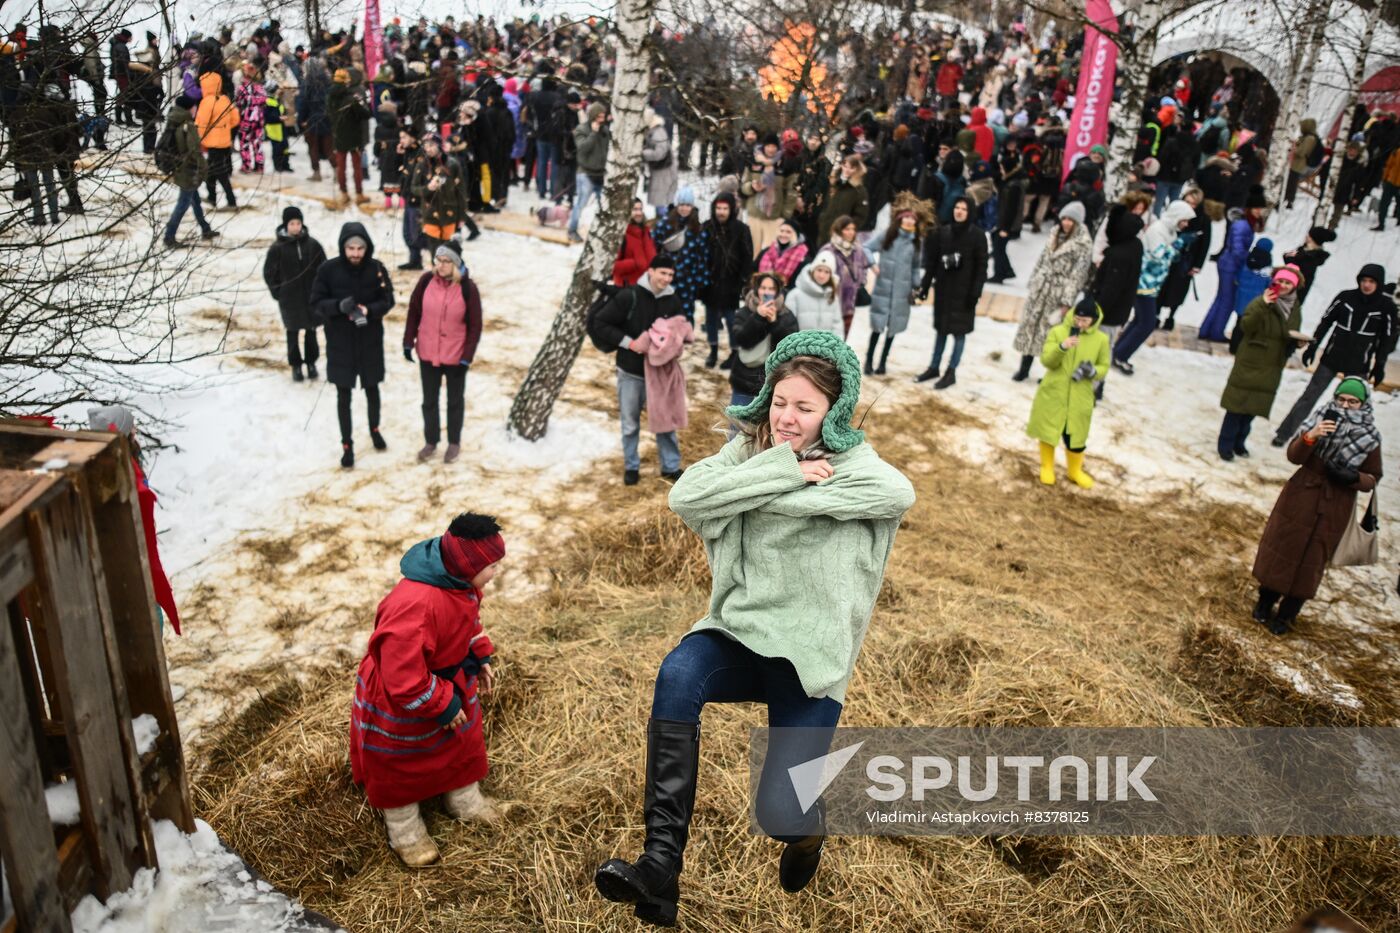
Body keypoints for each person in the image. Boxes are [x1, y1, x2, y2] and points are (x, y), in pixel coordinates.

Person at [594, 331, 915, 925]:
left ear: (835, 411)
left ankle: (806, 832)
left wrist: (750, 497)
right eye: (780, 402)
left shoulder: (858, 466)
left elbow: (899, 492)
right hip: (740, 632)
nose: (787, 418)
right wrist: (787, 473)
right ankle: (660, 867)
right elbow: (687, 498)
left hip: (811, 655)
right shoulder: (751, 450)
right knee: (679, 671)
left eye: (805, 407)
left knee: (779, 813)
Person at [350, 513, 505, 867]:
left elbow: (467, 622)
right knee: (401, 761)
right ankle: (406, 832)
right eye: (492, 565)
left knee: (461, 739)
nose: (496, 572)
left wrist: (479, 654)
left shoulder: (460, 585)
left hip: (445, 678)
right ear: (469, 565)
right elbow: (401, 677)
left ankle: (464, 802)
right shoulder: (415, 606)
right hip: (405, 693)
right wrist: (442, 701)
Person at [1252, 379, 1383, 635]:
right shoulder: (1319, 418)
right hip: (1301, 496)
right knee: (1284, 547)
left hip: (1336, 505)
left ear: (1363, 404)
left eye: (1352, 402)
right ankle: (1265, 603)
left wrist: (1353, 478)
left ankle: (1288, 615)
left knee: (1313, 559)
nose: (1345, 406)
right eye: (1341, 400)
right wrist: (1310, 438)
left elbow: (1373, 477)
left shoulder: (1370, 437)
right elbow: (1293, 456)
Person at [1272, 263, 1397, 446]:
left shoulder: (1386, 307)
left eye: (1371, 281)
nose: (1367, 285)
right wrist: (1313, 347)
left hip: (1358, 364)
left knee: (1355, 406)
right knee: (1309, 396)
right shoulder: (1346, 297)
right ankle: (1283, 434)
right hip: (1332, 358)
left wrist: (1379, 365)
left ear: (1378, 284)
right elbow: (1326, 322)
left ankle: (1345, 443)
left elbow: (1386, 339)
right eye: (1364, 280)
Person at [588, 254, 687, 485]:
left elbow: (680, 328)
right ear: (650, 271)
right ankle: (631, 466)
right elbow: (601, 323)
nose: (667, 278)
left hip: (660, 373)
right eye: (663, 272)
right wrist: (630, 343)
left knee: (665, 422)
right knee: (630, 422)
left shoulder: (673, 300)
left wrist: (675, 344)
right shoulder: (629, 295)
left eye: (671, 275)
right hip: (631, 371)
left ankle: (670, 467)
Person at [85, 405, 182, 634]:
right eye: (132, 430)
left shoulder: (126, 464)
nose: (136, 433)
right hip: (129, 566)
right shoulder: (113, 474)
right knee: (149, 623)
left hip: (138, 560)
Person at [309, 223, 396, 468]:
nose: (356, 253)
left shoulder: (376, 269)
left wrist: (371, 310)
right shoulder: (328, 270)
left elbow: (388, 299)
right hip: (340, 343)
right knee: (343, 395)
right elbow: (315, 301)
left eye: (360, 248)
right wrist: (338, 307)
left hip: (369, 341)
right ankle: (347, 444)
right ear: (343, 247)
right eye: (351, 248)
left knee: (372, 389)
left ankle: (374, 429)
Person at [404, 242, 483, 464]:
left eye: (446, 261)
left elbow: (475, 325)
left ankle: (454, 442)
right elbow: (414, 311)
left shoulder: (468, 289)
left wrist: (467, 355)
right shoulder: (426, 281)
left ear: (456, 263)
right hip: (428, 353)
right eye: (438, 260)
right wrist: (409, 341)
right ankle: (431, 441)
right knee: (429, 401)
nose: (441, 265)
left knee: (454, 401)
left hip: (456, 356)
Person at [1217, 266, 1306, 461]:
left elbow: (1290, 332)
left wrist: (1297, 341)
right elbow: (1246, 325)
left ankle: (1240, 443)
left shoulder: (1294, 307)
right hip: (1251, 359)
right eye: (1281, 281)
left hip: (1272, 364)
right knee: (1236, 406)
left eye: (1288, 283)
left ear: (1294, 286)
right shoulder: (1262, 301)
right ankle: (1225, 444)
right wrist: (1263, 304)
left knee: (1253, 409)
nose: (1283, 285)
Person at [1027, 297, 1109, 488]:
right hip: (1054, 392)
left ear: (1093, 320)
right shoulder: (1058, 332)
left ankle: (1075, 471)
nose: (1079, 324)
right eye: (1077, 319)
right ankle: (1047, 466)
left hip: (1080, 396)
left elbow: (1104, 366)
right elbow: (1047, 361)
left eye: (1085, 321)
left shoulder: (1101, 340)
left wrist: (1093, 371)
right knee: (1049, 430)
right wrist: (1062, 347)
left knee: (1076, 435)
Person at [1111, 200, 1196, 374]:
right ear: (1176, 217)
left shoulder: (1169, 230)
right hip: (1144, 282)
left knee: (1139, 321)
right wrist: (1178, 246)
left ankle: (1117, 352)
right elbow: (1158, 255)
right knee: (1147, 323)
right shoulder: (1158, 230)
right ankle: (1121, 355)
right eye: (1185, 220)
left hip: (1152, 282)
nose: (1186, 224)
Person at [1011, 201, 1092, 382]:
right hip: (1040, 289)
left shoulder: (1083, 244)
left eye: (1071, 220)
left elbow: (1078, 275)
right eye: (1064, 218)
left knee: (1051, 335)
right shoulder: (1054, 234)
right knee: (1031, 329)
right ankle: (1024, 368)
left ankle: (1048, 373)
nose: (1066, 222)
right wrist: (1033, 282)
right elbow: (1042, 260)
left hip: (1058, 293)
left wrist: (1066, 301)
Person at [918, 196, 986, 388]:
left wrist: (975, 293)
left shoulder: (977, 236)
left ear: (970, 212)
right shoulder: (943, 232)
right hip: (944, 290)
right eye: (957, 207)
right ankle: (934, 366)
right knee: (941, 330)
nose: (959, 211)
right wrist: (924, 286)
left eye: (963, 209)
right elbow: (931, 263)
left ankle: (951, 371)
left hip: (964, 294)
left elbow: (982, 268)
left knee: (958, 334)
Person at [263, 206, 327, 380]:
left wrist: (322, 290)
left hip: (311, 298)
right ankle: (296, 365)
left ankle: (311, 363)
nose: (296, 227)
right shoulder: (278, 248)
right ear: (286, 225)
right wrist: (278, 292)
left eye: (298, 223)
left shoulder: (313, 245)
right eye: (292, 223)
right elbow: (269, 273)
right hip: (290, 300)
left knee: (311, 332)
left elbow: (324, 269)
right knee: (292, 332)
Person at [727, 271, 799, 425]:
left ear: (778, 291)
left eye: (771, 288)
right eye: (763, 288)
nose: (767, 292)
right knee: (737, 429)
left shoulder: (787, 315)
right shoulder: (744, 312)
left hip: (772, 384)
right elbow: (742, 340)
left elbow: (791, 347)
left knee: (763, 433)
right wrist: (758, 317)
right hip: (744, 381)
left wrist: (774, 323)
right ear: (756, 289)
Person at [867, 200, 927, 378]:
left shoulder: (916, 242)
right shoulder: (888, 235)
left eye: (912, 219)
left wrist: (917, 286)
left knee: (892, 328)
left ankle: (883, 362)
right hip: (883, 288)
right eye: (906, 218)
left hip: (902, 291)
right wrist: (872, 264)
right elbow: (866, 248)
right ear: (900, 219)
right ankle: (869, 360)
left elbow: (916, 267)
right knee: (878, 326)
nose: (909, 221)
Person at [1199, 189, 1268, 341]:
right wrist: (1249, 260)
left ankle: (1207, 330)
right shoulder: (1242, 226)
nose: (1259, 212)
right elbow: (1238, 250)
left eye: (1260, 209)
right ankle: (1216, 332)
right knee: (1227, 300)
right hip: (1230, 266)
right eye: (1257, 209)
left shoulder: (1245, 224)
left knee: (1221, 298)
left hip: (1228, 263)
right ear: (1250, 208)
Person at [699, 191, 754, 369]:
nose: (721, 212)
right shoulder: (707, 227)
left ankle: (734, 352)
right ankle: (713, 350)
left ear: (732, 209)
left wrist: (742, 281)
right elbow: (699, 255)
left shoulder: (742, 229)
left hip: (731, 283)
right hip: (710, 283)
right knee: (711, 319)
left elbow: (747, 257)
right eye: (718, 208)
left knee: (732, 321)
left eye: (725, 208)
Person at [1090, 207, 1146, 372]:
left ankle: (1094, 389)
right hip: (1119, 312)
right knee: (1104, 351)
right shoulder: (1135, 245)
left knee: (1097, 354)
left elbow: (1110, 289)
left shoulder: (1118, 255)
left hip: (1107, 315)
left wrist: (1094, 313)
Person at [161, 95, 220, 248]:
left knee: (195, 201)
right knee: (183, 204)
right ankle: (169, 236)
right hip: (189, 170)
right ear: (190, 108)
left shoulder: (174, 121)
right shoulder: (187, 125)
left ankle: (205, 228)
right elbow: (195, 151)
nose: (196, 110)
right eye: (194, 107)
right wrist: (204, 168)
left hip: (180, 168)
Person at [1156, 182, 1210, 332]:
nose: (1190, 206)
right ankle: (1157, 313)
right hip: (1169, 257)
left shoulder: (1203, 220)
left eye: (1193, 203)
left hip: (1187, 260)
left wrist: (1197, 264)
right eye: (1187, 202)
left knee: (1178, 290)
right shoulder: (1174, 214)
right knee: (1163, 286)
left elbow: (1205, 244)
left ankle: (1171, 316)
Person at [650, 189, 710, 324]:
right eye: (682, 204)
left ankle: (684, 335)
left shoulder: (697, 227)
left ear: (692, 206)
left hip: (689, 277)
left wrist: (702, 277)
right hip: (667, 275)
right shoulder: (665, 224)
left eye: (688, 205)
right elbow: (653, 246)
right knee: (664, 308)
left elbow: (703, 254)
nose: (684, 208)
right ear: (677, 205)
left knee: (686, 310)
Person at [741, 133, 799, 257]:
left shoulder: (785, 163)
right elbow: (743, 186)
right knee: (751, 252)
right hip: (754, 214)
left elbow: (791, 192)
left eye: (774, 147)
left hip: (774, 217)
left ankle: (766, 276)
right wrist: (752, 186)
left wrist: (785, 215)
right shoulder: (753, 160)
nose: (771, 149)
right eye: (768, 146)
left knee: (770, 253)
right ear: (763, 147)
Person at [818, 215, 871, 339]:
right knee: (825, 340)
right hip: (830, 303)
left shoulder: (858, 250)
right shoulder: (828, 250)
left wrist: (860, 282)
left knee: (842, 341)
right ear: (838, 230)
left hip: (849, 305)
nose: (851, 232)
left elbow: (863, 269)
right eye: (847, 229)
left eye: (853, 229)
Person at [195, 70, 240, 209]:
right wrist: (224, 129)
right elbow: (235, 119)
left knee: (220, 172)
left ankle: (231, 200)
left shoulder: (207, 102)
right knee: (212, 171)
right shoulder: (224, 99)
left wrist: (198, 139)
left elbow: (202, 124)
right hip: (224, 141)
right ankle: (212, 197)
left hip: (212, 142)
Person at [327, 68, 371, 204]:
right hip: (354, 136)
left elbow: (328, 114)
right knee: (356, 167)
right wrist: (362, 103)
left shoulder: (330, 97)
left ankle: (343, 193)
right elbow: (366, 114)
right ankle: (359, 194)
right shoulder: (351, 98)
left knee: (341, 167)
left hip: (338, 135)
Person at [568, 101, 609, 243]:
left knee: (604, 205)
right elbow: (583, 148)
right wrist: (593, 133)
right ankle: (572, 230)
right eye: (599, 117)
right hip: (585, 173)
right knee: (581, 204)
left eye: (604, 116)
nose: (602, 120)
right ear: (593, 116)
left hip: (600, 173)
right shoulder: (581, 129)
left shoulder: (605, 130)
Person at [817, 154, 869, 246]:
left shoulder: (859, 190)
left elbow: (861, 216)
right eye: (845, 166)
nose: (847, 170)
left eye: (851, 168)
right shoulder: (834, 183)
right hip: (824, 229)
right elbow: (825, 204)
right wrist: (822, 219)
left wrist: (846, 229)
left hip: (841, 234)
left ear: (857, 169)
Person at [785, 253, 842, 336]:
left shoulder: (832, 297)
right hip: (800, 346)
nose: (822, 275)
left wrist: (836, 346)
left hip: (826, 347)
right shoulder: (795, 295)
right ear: (812, 270)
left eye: (827, 272)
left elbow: (837, 325)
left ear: (831, 275)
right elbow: (788, 325)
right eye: (819, 270)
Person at [1281, 226, 1334, 312]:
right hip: (1285, 289)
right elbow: (1287, 255)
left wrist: (1292, 260)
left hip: (1293, 297)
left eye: (1309, 235)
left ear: (1314, 239)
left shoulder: (1313, 258)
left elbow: (1297, 270)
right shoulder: (1303, 249)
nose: (1306, 236)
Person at [643, 107, 678, 217]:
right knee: (660, 200)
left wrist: (642, 153)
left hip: (664, 172)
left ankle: (664, 223)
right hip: (660, 171)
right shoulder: (652, 131)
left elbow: (659, 153)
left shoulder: (658, 132)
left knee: (661, 201)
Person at [614, 198, 656, 287]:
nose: (639, 213)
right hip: (627, 289)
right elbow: (612, 266)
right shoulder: (621, 234)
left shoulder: (646, 232)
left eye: (640, 209)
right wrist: (634, 264)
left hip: (646, 286)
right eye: (635, 209)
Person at [235, 63, 267, 173]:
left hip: (246, 119)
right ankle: (259, 166)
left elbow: (239, 103)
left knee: (244, 143)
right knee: (257, 142)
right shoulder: (261, 88)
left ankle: (246, 165)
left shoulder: (242, 88)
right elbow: (264, 102)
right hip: (259, 119)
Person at [1284, 118, 1320, 209]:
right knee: (1291, 181)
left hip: (1298, 164)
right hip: (1297, 164)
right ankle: (1287, 200)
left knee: (1291, 182)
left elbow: (1301, 152)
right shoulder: (1308, 137)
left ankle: (1288, 201)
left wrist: (1293, 149)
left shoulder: (1309, 138)